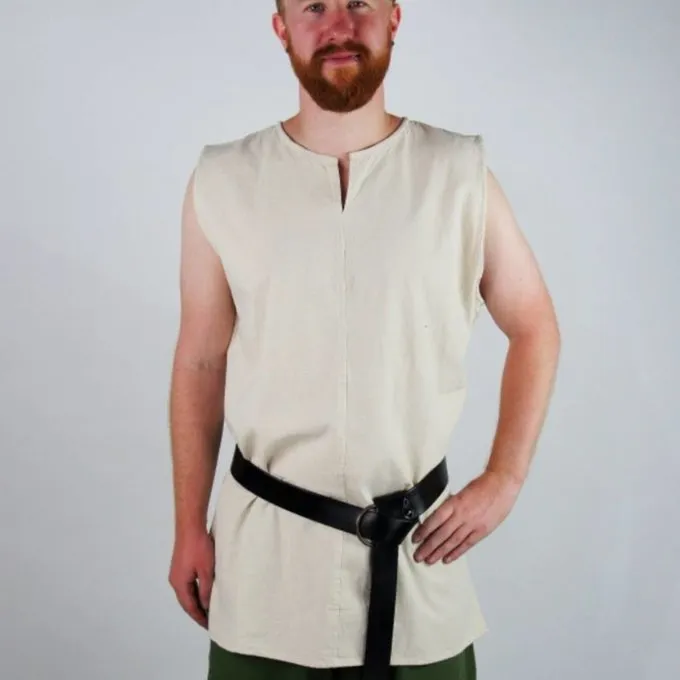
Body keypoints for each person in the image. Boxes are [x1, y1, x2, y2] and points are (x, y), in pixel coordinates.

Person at [168, 1, 561, 679]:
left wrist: (505, 477)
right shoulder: (223, 180)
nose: (339, 27)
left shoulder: (457, 174)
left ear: (394, 18)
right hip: (265, 580)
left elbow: (535, 325)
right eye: (314, 7)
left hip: (418, 572)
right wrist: (186, 526)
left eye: (359, 3)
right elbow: (201, 360)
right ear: (282, 27)